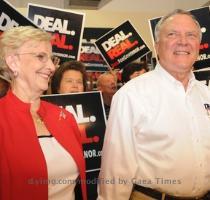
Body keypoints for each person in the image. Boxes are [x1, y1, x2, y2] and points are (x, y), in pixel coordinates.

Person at [97, 9, 210, 200]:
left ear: (199, 45)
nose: (183, 41)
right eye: (172, 34)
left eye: (190, 35)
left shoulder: (206, 93)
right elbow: (116, 170)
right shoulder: (131, 95)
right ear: (157, 46)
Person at [0, 26, 87, 200]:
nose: (51, 67)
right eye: (41, 57)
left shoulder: (65, 117)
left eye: (51, 59)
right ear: (13, 62)